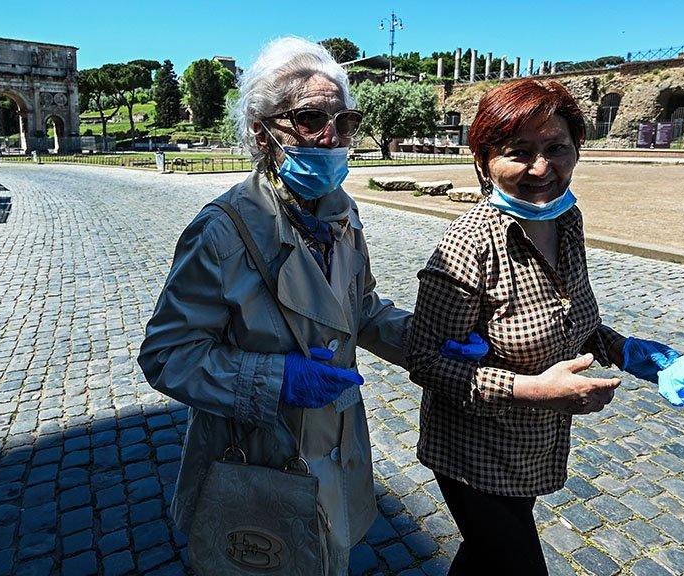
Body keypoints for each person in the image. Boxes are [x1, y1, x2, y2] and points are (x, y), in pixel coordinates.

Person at [137, 37, 482, 575]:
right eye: (310, 118)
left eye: (343, 121)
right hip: (257, 462)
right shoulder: (221, 232)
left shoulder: (342, 215)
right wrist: (273, 379)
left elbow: (362, 310)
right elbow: (166, 354)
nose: (331, 136)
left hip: (336, 449)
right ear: (262, 131)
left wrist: (426, 337)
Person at [406, 79, 684, 575]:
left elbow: (573, 319)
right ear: (484, 161)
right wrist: (535, 390)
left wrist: (629, 351)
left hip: (533, 447)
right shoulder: (467, 247)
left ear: (576, 151)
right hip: (472, 454)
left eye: (556, 148)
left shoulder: (567, 221)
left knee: (484, 558)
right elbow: (424, 360)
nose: (542, 168)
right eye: (518, 152)